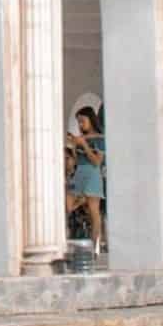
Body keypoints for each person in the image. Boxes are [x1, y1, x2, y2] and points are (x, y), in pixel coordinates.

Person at [66, 106, 105, 253]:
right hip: (79, 172)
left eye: (82, 121)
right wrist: (75, 146)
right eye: (78, 122)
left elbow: (96, 162)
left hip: (92, 174)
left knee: (94, 213)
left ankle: (94, 247)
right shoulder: (81, 137)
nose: (80, 125)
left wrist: (83, 145)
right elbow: (77, 160)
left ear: (91, 120)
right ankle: (82, 200)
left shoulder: (100, 139)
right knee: (68, 205)